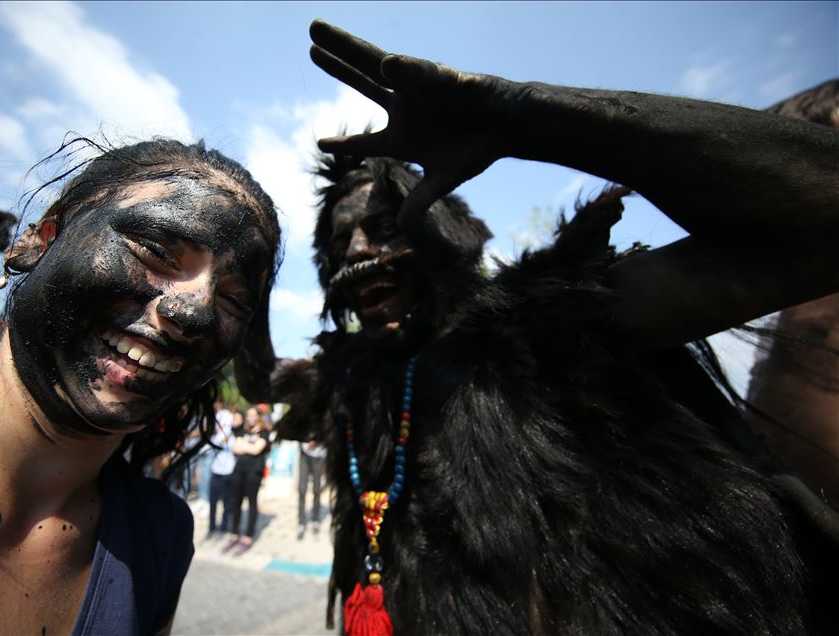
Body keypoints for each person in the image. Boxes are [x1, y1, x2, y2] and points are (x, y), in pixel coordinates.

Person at [235, 21, 838, 635]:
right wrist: (248, 271)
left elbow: (822, 220)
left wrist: (523, 118)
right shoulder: (351, 380)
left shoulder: (543, 323)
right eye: (340, 243)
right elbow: (261, 379)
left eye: (384, 230)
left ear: (436, 235)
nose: (358, 252)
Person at [0, 137, 282, 635]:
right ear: (41, 238)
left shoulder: (160, 537)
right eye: (157, 251)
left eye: (231, 301)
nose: (194, 312)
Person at [222, 406, 272, 556]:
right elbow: (235, 448)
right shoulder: (242, 431)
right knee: (236, 502)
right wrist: (248, 446)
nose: (249, 417)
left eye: (252, 415)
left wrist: (245, 446)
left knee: (251, 502)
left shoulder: (264, 432)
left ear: (258, 416)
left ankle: (248, 536)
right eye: (248, 415)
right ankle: (234, 533)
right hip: (239, 470)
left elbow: (257, 450)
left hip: (254, 472)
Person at [207, 408, 239, 536]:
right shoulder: (216, 437)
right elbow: (212, 446)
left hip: (228, 471)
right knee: (213, 501)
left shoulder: (232, 436)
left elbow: (233, 447)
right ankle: (212, 526)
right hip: (216, 471)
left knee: (227, 501)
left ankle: (224, 525)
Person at [297, 438, 327, 540]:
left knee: (317, 490)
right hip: (304, 454)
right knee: (302, 489)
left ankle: (315, 519)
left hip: (319, 455)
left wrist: (317, 442)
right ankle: (301, 522)